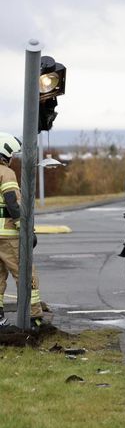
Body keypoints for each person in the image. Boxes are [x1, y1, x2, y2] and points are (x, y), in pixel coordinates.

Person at [0, 132, 43, 327]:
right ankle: (33, 318)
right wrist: (27, 232)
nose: (11, 159)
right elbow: (12, 203)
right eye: (11, 155)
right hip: (9, 237)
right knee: (26, 274)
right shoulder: (6, 173)